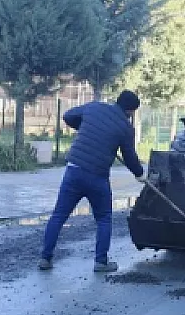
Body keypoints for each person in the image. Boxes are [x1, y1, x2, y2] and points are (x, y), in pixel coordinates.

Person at [39, 90, 145, 273]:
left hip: (74, 170)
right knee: (104, 219)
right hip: (97, 177)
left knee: (58, 216)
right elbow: (129, 156)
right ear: (130, 111)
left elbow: (68, 116)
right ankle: (101, 262)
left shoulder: (95, 107)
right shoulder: (125, 128)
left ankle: (45, 258)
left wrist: (86, 126)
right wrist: (139, 173)